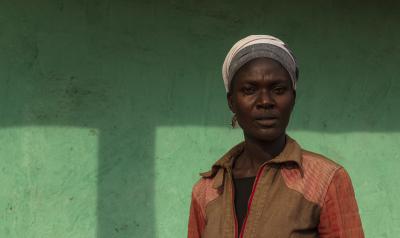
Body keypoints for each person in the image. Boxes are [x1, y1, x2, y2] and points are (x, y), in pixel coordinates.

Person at [187, 35, 364, 238]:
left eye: (278, 90)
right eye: (249, 90)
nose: (265, 101)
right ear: (231, 101)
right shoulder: (207, 190)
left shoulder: (326, 180)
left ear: (293, 98)